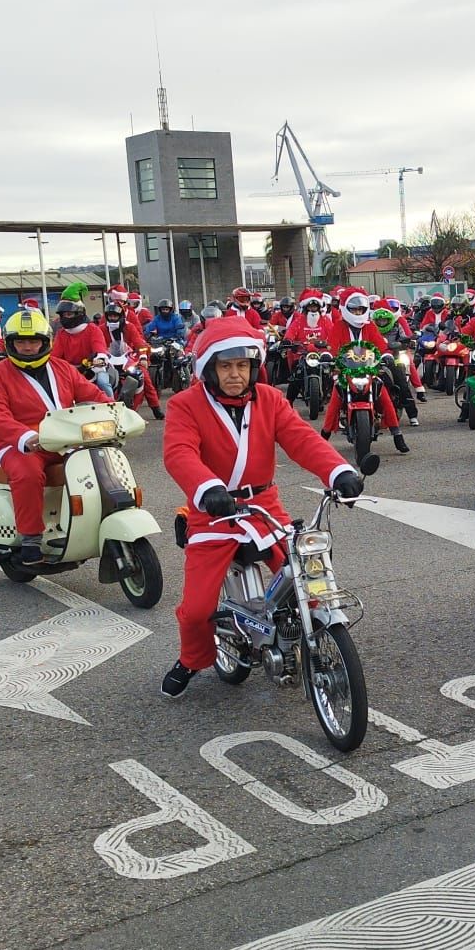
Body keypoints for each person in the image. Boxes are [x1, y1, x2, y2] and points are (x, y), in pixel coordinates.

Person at [158, 320, 364, 697]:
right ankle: (191, 659)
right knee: (197, 610)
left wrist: (338, 472)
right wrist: (208, 489)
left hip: (263, 506)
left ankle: (304, 631)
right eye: (225, 366)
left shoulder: (269, 398)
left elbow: (300, 438)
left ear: (254, 367)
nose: (235, 374)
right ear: (208, 369)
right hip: (213, 512)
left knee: (307, 572)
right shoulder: (186, 405)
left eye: (242, 366)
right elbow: (179, 453)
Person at [0, 308, 113, 564]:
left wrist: (116, 409)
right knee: (27, 472)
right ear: (10, 343)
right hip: (19, 444)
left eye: (33, 341)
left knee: (98, 463)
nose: (28, 347)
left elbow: (91, 394)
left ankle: (88, 522)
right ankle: (31, 538)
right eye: (21, 341)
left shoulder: (62, 368)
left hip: (64, 439)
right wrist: (25, 436)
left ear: (45, 341)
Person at [319, 289, 410, 453]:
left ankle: (397, 434)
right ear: (346, 309)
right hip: (345, 369)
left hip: (369, 368)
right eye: (354, 309)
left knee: (384, 394)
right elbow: (331, 345)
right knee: (335, 397)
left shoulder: (370, 327)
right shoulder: (339, 326)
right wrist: (327, 355)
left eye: (360, 309)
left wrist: (386, 356)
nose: (357, 312)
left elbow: (381, 347)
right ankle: (323, 437)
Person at [102, 302, 165, 419]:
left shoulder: (129, 327)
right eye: (110, 316)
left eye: (115, 316)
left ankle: (156, 408)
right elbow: (98, 344)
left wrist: (143, 357)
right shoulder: (102, 328)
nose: (112, 318)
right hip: (110, 359)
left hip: (130, 357)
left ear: (120, 316)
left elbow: (139, 343)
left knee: (145, 379)